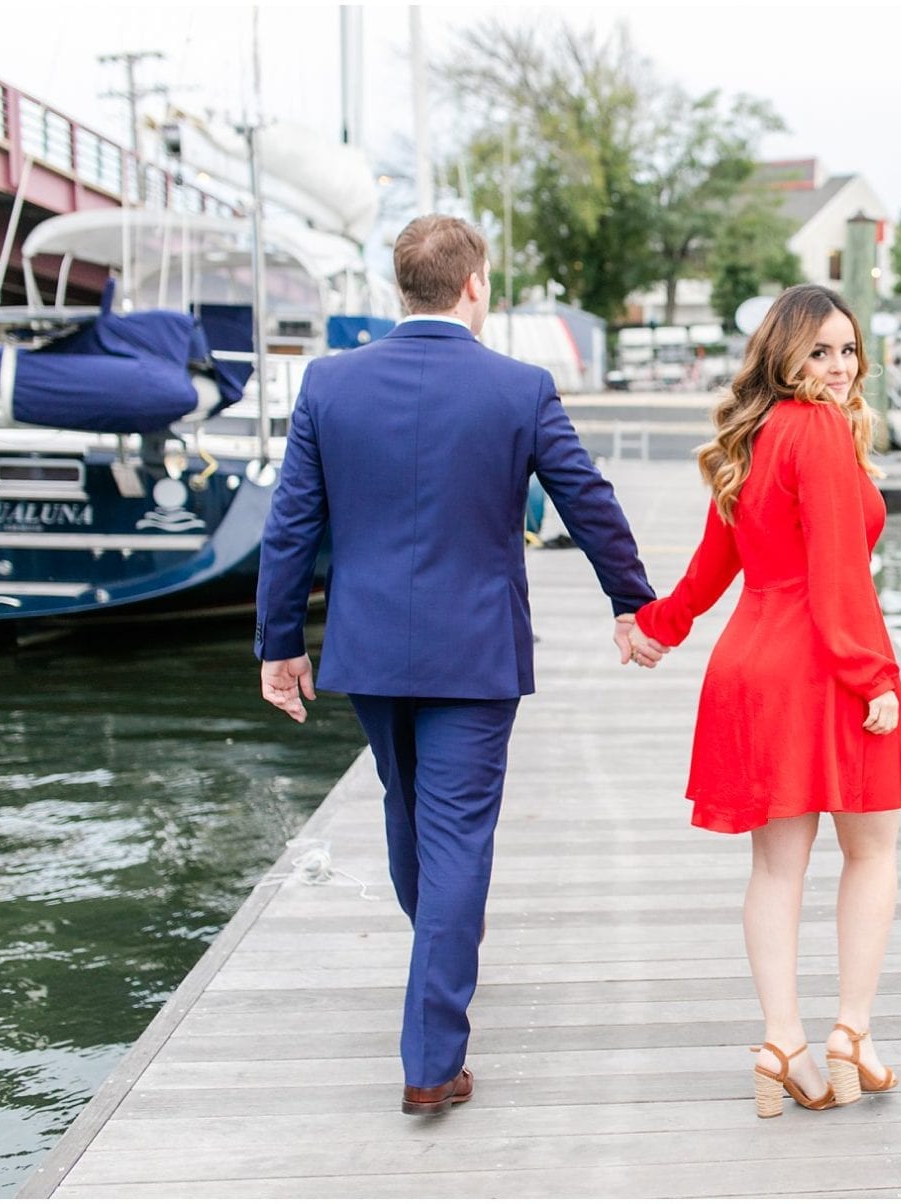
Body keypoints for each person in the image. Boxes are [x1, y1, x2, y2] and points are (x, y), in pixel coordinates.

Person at [255, 214, 666, 1116]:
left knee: (414, 821)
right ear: (474, 282)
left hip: (368, 650)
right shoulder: (518, 387)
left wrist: (280, 643)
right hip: (474, 652)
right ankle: (432, 1060)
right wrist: (631, 599)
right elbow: (587, 500)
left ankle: (436, 972)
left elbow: (292, 525)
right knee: (454, 840)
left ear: (399, 289)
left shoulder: (331, 383)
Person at [629, 284, 901, 1117]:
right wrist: (871, 677)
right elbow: (837, 571)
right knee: (871, 852)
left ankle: (782, 1043)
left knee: (774, 868)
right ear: (786, 356)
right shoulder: (823, 431)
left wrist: (659, 626)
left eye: (848, 350)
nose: (839, 368)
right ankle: (852, 1033)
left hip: (751, 668)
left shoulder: (753, 436)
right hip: (825, 666)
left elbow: (713, 563)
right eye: (821, 351)